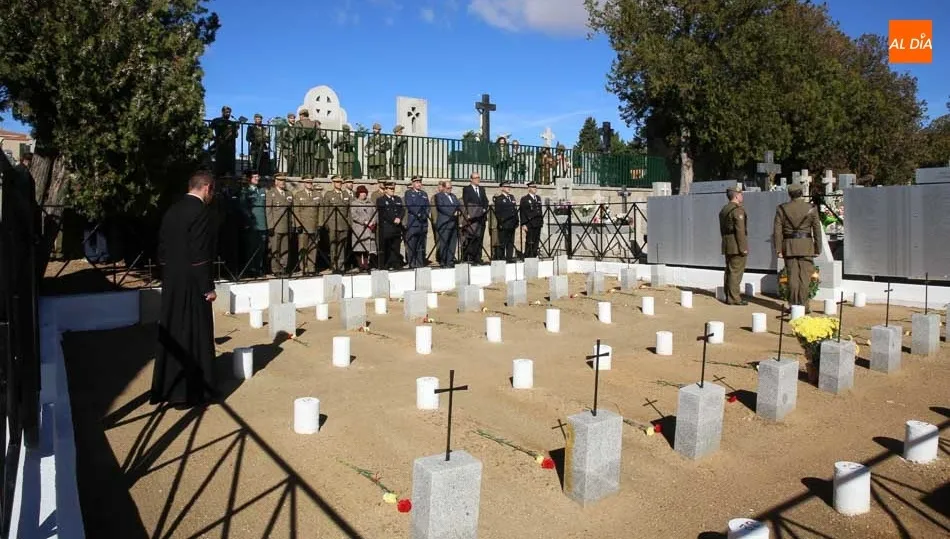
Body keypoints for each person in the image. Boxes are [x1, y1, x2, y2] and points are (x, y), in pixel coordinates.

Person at [152, 171, 217, 407]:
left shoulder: (173, 210)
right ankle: (191, 391)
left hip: (172, 280)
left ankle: (170, 388)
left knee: (173, 331)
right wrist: (206, 287)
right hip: (191, 283)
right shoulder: (200, 212)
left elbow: (161, 248)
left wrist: (169, 273)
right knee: (193, 334)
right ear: (207, 188)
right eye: (213, 191)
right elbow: (200, 255)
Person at [773, 183, 822, 310]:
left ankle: (794, 305)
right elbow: (817, 229)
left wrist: (778, 248)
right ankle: (804, 305)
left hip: (789, 245)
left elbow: (777, 231)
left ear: (790, 194)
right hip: (806, 245)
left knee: (792, 276)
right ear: (801, 193)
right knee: (804, 277)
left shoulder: (782, 208)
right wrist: (818, 248)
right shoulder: (811, 208)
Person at [719, 187, 748, 305]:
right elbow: (740, 231)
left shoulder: (724, 209)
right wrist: (743, 248)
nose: (742, 196)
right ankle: (734, 298)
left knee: (729, 271)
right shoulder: (737, 210)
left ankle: (728, 295)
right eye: (741, 194)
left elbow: (722, 229)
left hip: (727, 243)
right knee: (736, 271)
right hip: (736, 244)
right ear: (736, 196)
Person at [240, 170, 267, 277]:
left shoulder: (262, 190)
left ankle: (259, 268)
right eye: (254, 177)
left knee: (261, 249)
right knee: (251, 248)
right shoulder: (245, 192)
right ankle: (251, 269)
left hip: (262, 224)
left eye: (258, 176)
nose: (257, 178)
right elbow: (243, 208)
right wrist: (248, 222)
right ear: (249, 179)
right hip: (252, 225)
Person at [266, 175, 295, 275]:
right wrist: (270, 226)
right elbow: (269, 211)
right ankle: (276, 269)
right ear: (276, 182)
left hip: (286, 225)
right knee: (275, 249)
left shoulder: (289, 193)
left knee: (285, 248)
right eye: (280, 180)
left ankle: (284, 267)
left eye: (284, 180)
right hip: (276, 226)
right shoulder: (271, 193)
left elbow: (292, 212)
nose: (283, 182)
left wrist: (293, 225)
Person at [294, 177, 323, 275]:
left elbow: (321, 210)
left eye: (311, 182)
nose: (310, 184)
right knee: (303, 248)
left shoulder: (317, 194)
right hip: (303, 225)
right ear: (304, 183)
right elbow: (296, 211)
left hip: (314, 225)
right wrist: (298, 224)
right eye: (307, 182)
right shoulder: (299, 195)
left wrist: (320, 223)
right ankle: (303, 268)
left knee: (313, 248)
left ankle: (311, 268)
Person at [323, 175, 352, 273]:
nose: (339, 184)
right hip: (333, 224)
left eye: (340, 182)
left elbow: (349, 210)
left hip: (344, 224)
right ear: (333, 183)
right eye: (337, 182)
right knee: (333, 246)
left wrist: (349, 223)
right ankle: (334, 266)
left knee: (342, 246)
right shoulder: (329, 194)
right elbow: (325, 210)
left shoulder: (346, 194)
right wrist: (326, 222)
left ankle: (341, 265)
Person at [461, 172, 489, 264]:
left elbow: (485, 200)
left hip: (481, 218)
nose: (478, 179)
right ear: (471, 179)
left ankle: (478, 257)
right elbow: (466, 202)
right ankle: (471, 257)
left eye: (478, 177)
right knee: (472, 238)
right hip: (473, 218)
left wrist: (484, 209)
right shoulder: (467, 189)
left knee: (480, 238)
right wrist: (470, 213)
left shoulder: (481, 189)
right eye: (476, 178)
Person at [376, 181, 405, 269]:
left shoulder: (397, 199)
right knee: (386, 247)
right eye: (390, 189)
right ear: (385, 190)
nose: (392, 190)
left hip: (396, 227)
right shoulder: (381, 200)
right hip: (387, 227)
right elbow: (384, 213)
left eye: (393, 188)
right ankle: (385, 264)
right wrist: (393, 219)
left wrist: (399, 218)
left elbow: (402, 210)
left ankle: (395, 263)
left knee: (396, 246)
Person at [349, 185, 377, 271]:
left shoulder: (370, 203)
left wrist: (373, 221)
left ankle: (366, 265)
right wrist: (364, 221)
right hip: (359, 228)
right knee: (359, 248)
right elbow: (354, 215)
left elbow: (375, 213)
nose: (363, 194)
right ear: (358, 194)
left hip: (369, 229)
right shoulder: (354, 203)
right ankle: (360, 265)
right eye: (361, 193)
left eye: (365, 192)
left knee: (367, 248)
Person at [404, 176, 430, 268]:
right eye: (416, 182)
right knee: (412, 244)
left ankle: (420, 263)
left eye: (420, 182)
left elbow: (428, 206)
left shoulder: (424, 194)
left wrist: (424, 215)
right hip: (414, 222)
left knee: (421, 244)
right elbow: (410, 206)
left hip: (423, 222)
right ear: (413, 184)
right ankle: (412, 263)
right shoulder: (409, 193)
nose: (419, 184)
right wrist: (418, 214)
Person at [434, 181, 460, 268]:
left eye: (450, 188)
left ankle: (450, 260)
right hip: (445, 222)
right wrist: (453, 213)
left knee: (452, 243)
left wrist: (457, 212)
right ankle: (443, 261)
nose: (450, 190)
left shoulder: (453, 196)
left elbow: (458, 205)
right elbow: (441, 208)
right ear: (444, 188)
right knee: (444, 242)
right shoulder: (439, 196)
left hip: (454, 223)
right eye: (448, 188)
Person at [493, 181, 519, 262]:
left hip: (512, 223)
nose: (508, 188)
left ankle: (509, 258)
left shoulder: (512, 197)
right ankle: (501, 258)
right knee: (502, 243)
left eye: (509, 186)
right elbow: (498, 212)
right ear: (502, 188)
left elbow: (514, 210)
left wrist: (517, 220)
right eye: (506, 186)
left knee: (510, 242)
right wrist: (501, 222)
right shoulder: (499, 199)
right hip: (504, 224)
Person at [209, 106, 238, 177]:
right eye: (226, 112)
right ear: (222, 112)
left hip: (230, 146)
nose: (228, 114)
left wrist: (236, 129)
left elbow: (236, 135)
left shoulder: (232, 123)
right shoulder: (216, 120)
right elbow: (209, 130)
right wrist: (213, 137)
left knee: (230, 163)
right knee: (219, 162)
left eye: (229, 112)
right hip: (220, 144)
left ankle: (229, 175)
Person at [519, 181, 543, 258]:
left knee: (536, 240)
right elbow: (522, 212)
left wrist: (541, 221)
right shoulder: (525, 199)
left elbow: (540, 210)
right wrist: (523, 224)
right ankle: (528, 255)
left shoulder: (538, 198)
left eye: (535, 187)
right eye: (533, 187)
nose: (535, 189)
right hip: (530, 223)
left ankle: (534, 254)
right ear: (529, 188)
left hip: (537, 222)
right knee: (530, 240)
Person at [295, 110, 317, 176]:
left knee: (301, 160)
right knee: (311, 161)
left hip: (301, 144)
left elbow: (296, 135)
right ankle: (310, 175)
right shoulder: (314, 123)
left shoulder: (299, 123)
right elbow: (317, 134)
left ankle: (302, 175)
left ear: (302, 115)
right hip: (312, 144)